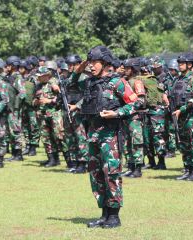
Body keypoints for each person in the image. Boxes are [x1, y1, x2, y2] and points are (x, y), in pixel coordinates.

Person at [79, 46, 138, 228]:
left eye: (94, 62)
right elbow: (71, 83)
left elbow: (136, 103)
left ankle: (114, 216)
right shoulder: (90, 83)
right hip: (93, 136)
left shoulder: (117, 82)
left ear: (104, 63)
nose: (91, 66)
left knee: (111, 174)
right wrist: (81, 67)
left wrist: (116, 113)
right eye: (89, 62)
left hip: (110, 136)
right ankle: (104, 214)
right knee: (96, 175)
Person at [172, 52, 193, 181]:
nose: (179, 65)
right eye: (179, 63)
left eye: (182, 63)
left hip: (192, 117)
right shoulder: (178, 79)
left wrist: (182, 109)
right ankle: (187, 170)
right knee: (183, 144)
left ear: (190, 65)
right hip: (180, 117)